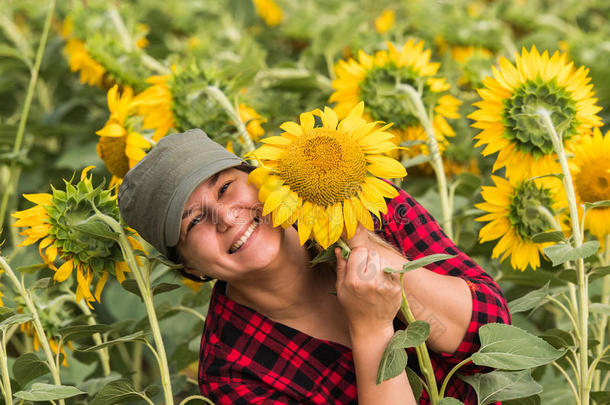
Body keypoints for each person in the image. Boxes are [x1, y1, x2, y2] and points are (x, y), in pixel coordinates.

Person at [118, 129, 510, 405]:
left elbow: (494, 339)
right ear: (190, 267)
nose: (225, 216)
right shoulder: (234, 371)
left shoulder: (364, 199)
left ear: (260, 178)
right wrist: (372, 330)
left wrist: (359, 239)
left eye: (225, 188)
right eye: (194, 222)